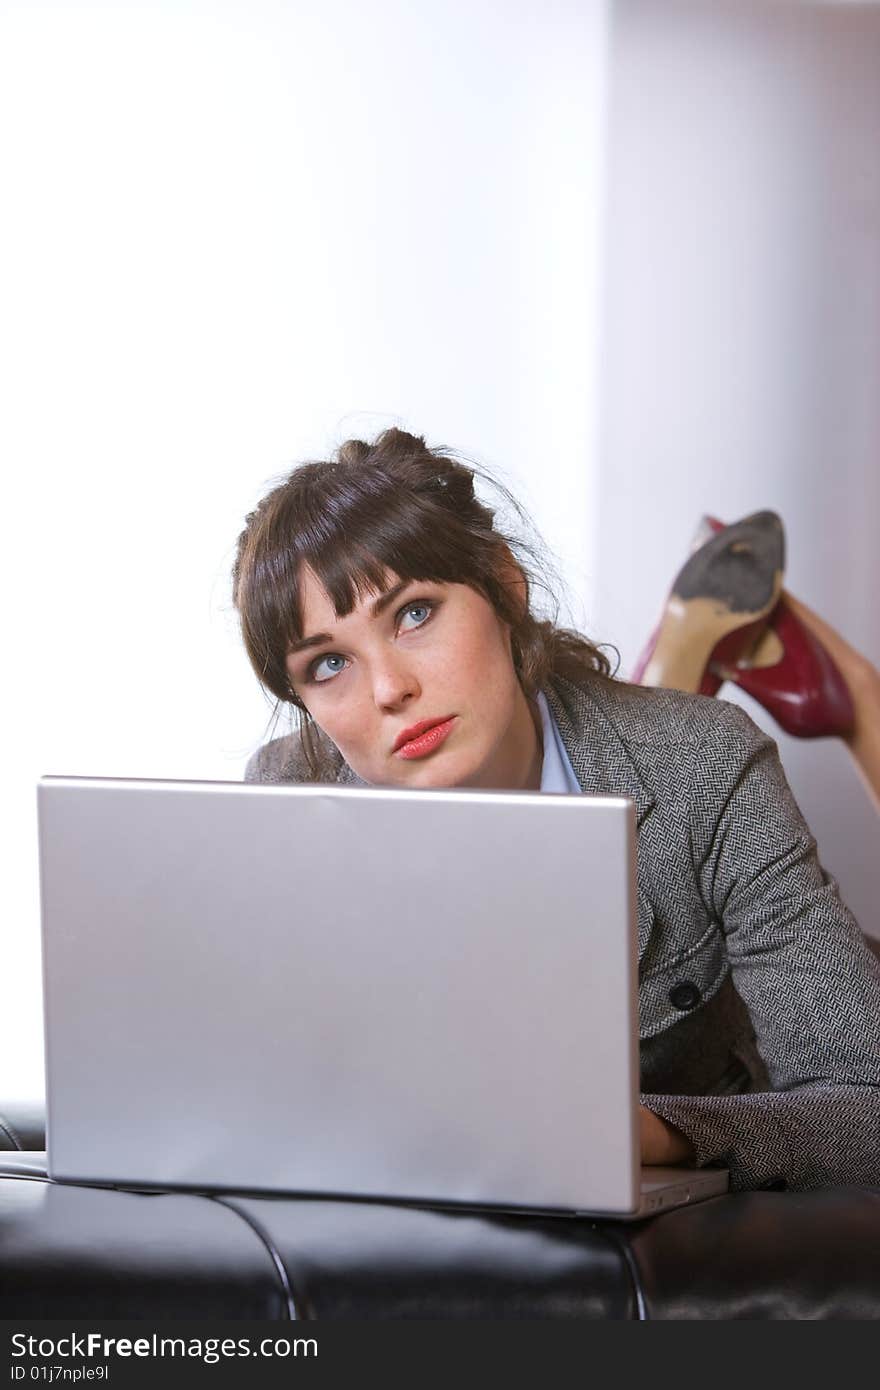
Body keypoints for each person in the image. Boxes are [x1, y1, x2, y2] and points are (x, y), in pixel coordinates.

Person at [232, 427, 880, 1193]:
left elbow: (864, 1108)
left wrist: (655, 1133)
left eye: (413, 614)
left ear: (506, 586)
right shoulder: (287, 803)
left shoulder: (706, 765)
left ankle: (833, 686)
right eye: (329, 664)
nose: (387, 690)